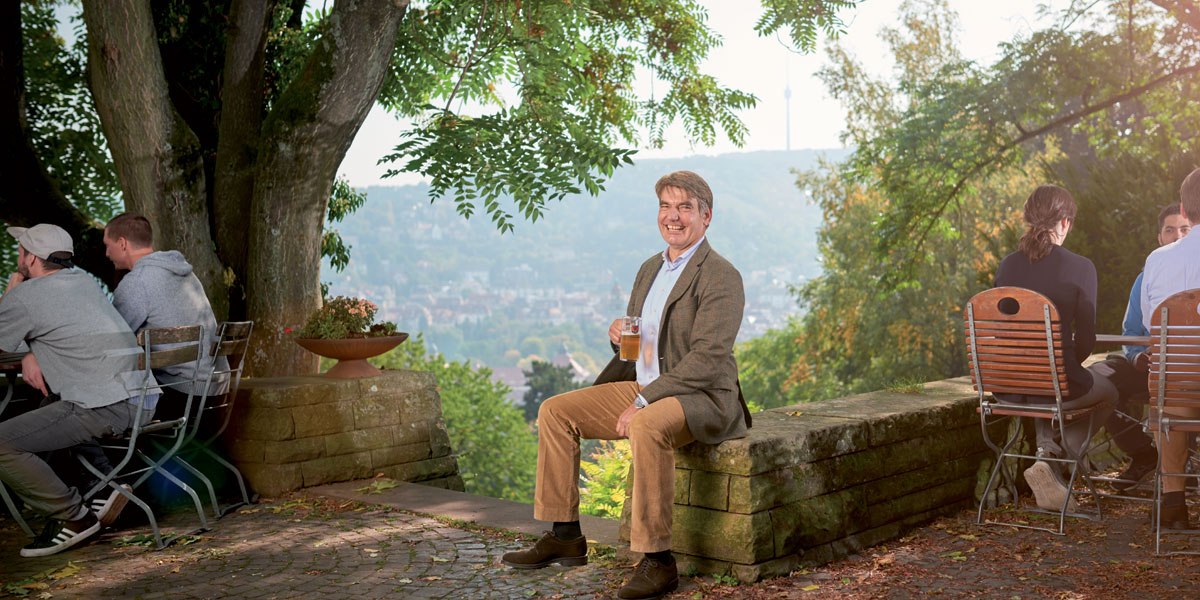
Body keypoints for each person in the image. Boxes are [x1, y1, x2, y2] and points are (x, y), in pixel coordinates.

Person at [500, 171, 751, 600]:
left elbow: (707, 362)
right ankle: (565, 534)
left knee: (647, 425)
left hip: (702, 396)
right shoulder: (649, 268)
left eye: (684, 208)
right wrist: (618, 334)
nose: (673, 217)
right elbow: (638, 347)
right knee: (555, 411)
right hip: (645, 381)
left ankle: (658, 561)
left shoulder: (721, 276)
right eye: (666, 207)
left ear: (706, 217)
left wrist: (643, 399)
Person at [0, 224, 155, 557]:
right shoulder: (83, 283)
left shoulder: (26, 295)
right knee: (51, 401)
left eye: (21, 250)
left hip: (105, 406)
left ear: (29, 259)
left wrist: (12, 291)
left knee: (3, 442)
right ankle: (100, 489)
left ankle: (73, 518)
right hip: (142, 397)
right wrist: (33, 351)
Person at [993, 185, 1117, 512]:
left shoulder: (1007, 266)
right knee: (1110, 392)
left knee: (1039, 377)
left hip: (1007, 386)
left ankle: (1046, 454)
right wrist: (1064, 365)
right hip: (1050, 383)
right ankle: (1056, 461)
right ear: (1064, 222)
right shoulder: (1081, 267)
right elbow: (1087, 341)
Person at [1090, 204, 1190, 492]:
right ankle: (1144, 455)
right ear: (1159, 237)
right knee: (1101, 377)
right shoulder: (1146, 276)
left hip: (1190, 376)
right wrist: (1137, 358)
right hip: (1151, 370)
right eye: (1169, 230)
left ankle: (1178, 473)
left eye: (1183, 229)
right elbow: (1132, 332)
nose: (1176, 236)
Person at [102, 213, 228, 407]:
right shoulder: (186, 273)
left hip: (184, 393)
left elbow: (111, 340)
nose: (106, 254)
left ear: (122, 243)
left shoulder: (137, 282)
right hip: (218, 389)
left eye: (107, 245)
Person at [1139, 167, 1200, 529]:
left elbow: (1151, 325)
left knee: (1171, 393)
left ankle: (1173, 503)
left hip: (1173, 387)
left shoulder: (1156, 260)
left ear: (1184, 208)